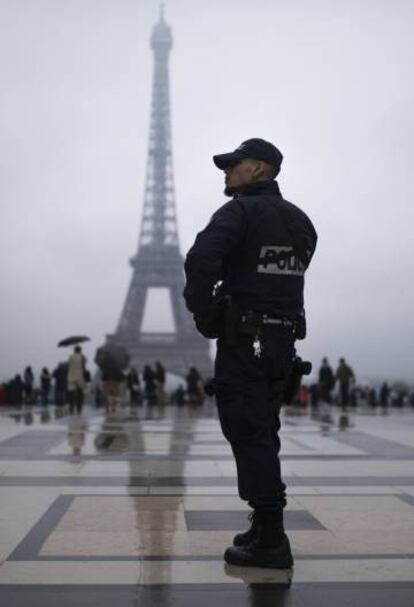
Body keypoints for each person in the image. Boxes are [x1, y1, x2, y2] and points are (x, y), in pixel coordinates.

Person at [183, 138, 317, 569]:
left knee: (246, 431)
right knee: (265, 430)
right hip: (282, 344)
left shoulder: (238, 211)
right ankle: (263, 522)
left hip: (246, 341)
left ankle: (272, 540)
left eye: (233, 165)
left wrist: (207, 315)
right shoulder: (301, 222)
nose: (226, 171)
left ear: (258, 168)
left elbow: (200, 261)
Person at [67, 346, 86, 415]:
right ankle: (79, 407)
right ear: (80, 350)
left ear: (74, 350)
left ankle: (71, 407)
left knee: (71, 393)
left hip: (71, 376)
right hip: (79, 376)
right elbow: (84, 367)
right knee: (80, 393)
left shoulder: (71, 356)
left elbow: (68, 365)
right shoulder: (82, 357)